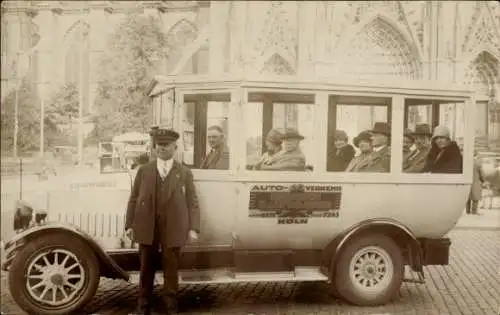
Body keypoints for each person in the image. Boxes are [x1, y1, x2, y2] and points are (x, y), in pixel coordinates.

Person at [125, 128, 200, 315]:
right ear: (154, 147)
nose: (162, 149)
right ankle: (143, 304)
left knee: (171, 268)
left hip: (173, 227)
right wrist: (129, 225)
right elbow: (133, 198)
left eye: (166, 145)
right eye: (159, 145)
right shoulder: (144, 171)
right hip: (146, 225)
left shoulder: (184, 172)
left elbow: (193, 201)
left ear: (175, 147)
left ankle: (171, 305)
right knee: (145, 267)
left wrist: (194, 228)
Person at [466, 150, 485, 215]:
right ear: (476, 155)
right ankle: (474, 211)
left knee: (468, 196)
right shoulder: (477, 163)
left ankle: (467, 211)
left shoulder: (466, 162)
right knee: (475, 197)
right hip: (475, 182)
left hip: (467, 181)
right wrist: (483, 180)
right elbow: (481, 174)